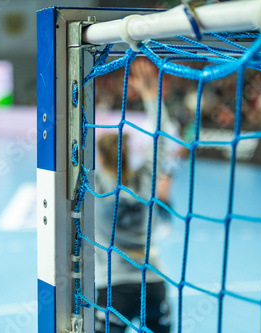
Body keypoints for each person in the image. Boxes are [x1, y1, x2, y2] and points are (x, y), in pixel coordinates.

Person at [94, 60, 174, 333]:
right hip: (153, 281)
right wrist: (153, 98)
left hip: (115, 284)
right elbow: (161, 139)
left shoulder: (95, 185)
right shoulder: (145, 180)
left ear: (102, 159)